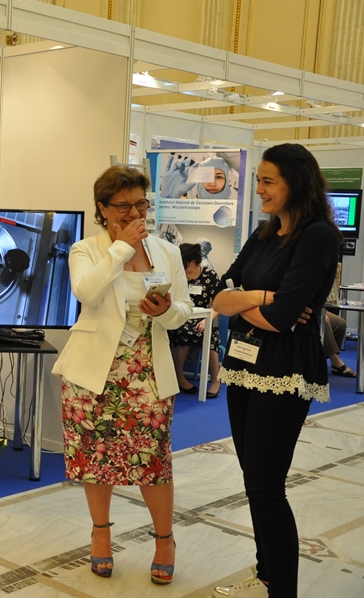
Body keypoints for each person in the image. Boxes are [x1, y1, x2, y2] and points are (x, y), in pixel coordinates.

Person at [211, 144, 342, 598]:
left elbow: (285, 319)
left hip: (285, 372)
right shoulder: (265, 231)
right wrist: (264, 297)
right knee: (254, 481)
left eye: (268, 181)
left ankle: (281, 590)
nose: (260, 190)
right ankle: (266, 575)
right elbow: (221, 295)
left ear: (296, 183)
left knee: (266, 487)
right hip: (244, 366)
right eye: (259, 181)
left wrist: (248, 301)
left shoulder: (318, 236)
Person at [51, 166, 192, 584]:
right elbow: (86, 292)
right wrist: (121, 249)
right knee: (95, 460)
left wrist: (166, 311)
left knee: (153, 460)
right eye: (124, 206)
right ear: (103, 208)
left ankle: (164, 540)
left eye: (140, 204)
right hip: (93, 372)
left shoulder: (166, 251)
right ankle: (100, 534)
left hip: (147, 369)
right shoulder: (86, 249)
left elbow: (184, 309)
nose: (134, 213)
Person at [169, 243, 221, 398]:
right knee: (180, 332)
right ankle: (179, 377)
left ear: (192, 263)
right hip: (181, 317)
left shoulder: (210, 276)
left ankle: (215, 381)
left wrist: (206, 321)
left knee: (210, 335)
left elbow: (217, 306)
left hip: (203, 317)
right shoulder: (178, 275)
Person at [323, 310, 355, 377]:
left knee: (340, 324)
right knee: (324, 323)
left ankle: (324, 357)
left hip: (316, 308)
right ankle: (336, 361)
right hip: (303, 310)